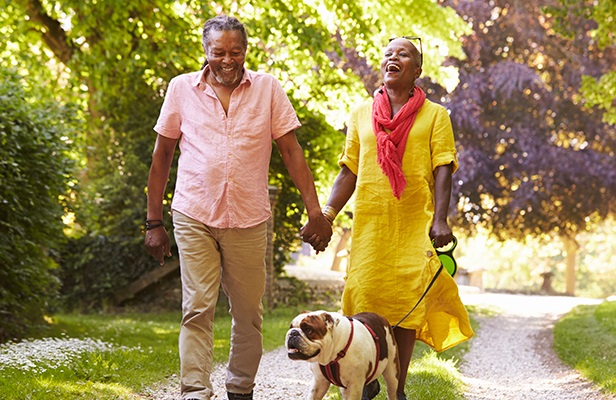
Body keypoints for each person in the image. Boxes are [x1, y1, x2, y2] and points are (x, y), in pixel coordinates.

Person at [144, 15, 332, 400]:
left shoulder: (268, 89)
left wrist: (316, 212)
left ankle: (240, 388)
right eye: (218, 53)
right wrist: (153, 221)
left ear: (246, 51)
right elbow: (162, 155)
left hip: (248, 217)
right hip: (194, 212)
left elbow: (292, 151)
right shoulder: (181, 88)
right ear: (205, 51)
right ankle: (195, 390)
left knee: (248, 314)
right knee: (197, 307)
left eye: (235, 52)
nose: (227, 60)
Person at [306, 37, 474, 400]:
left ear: (417, 70)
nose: (393, 57)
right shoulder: (360, 114)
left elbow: (443, 167)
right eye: (388, 53)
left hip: (415, 224)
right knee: (363, 297)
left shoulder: (435, 115)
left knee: (405, 306)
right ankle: (366, 378)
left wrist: (440, 220)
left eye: (404, 54)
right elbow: (348, 172)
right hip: (370, 226)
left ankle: (398, 386)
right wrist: (328, 215)